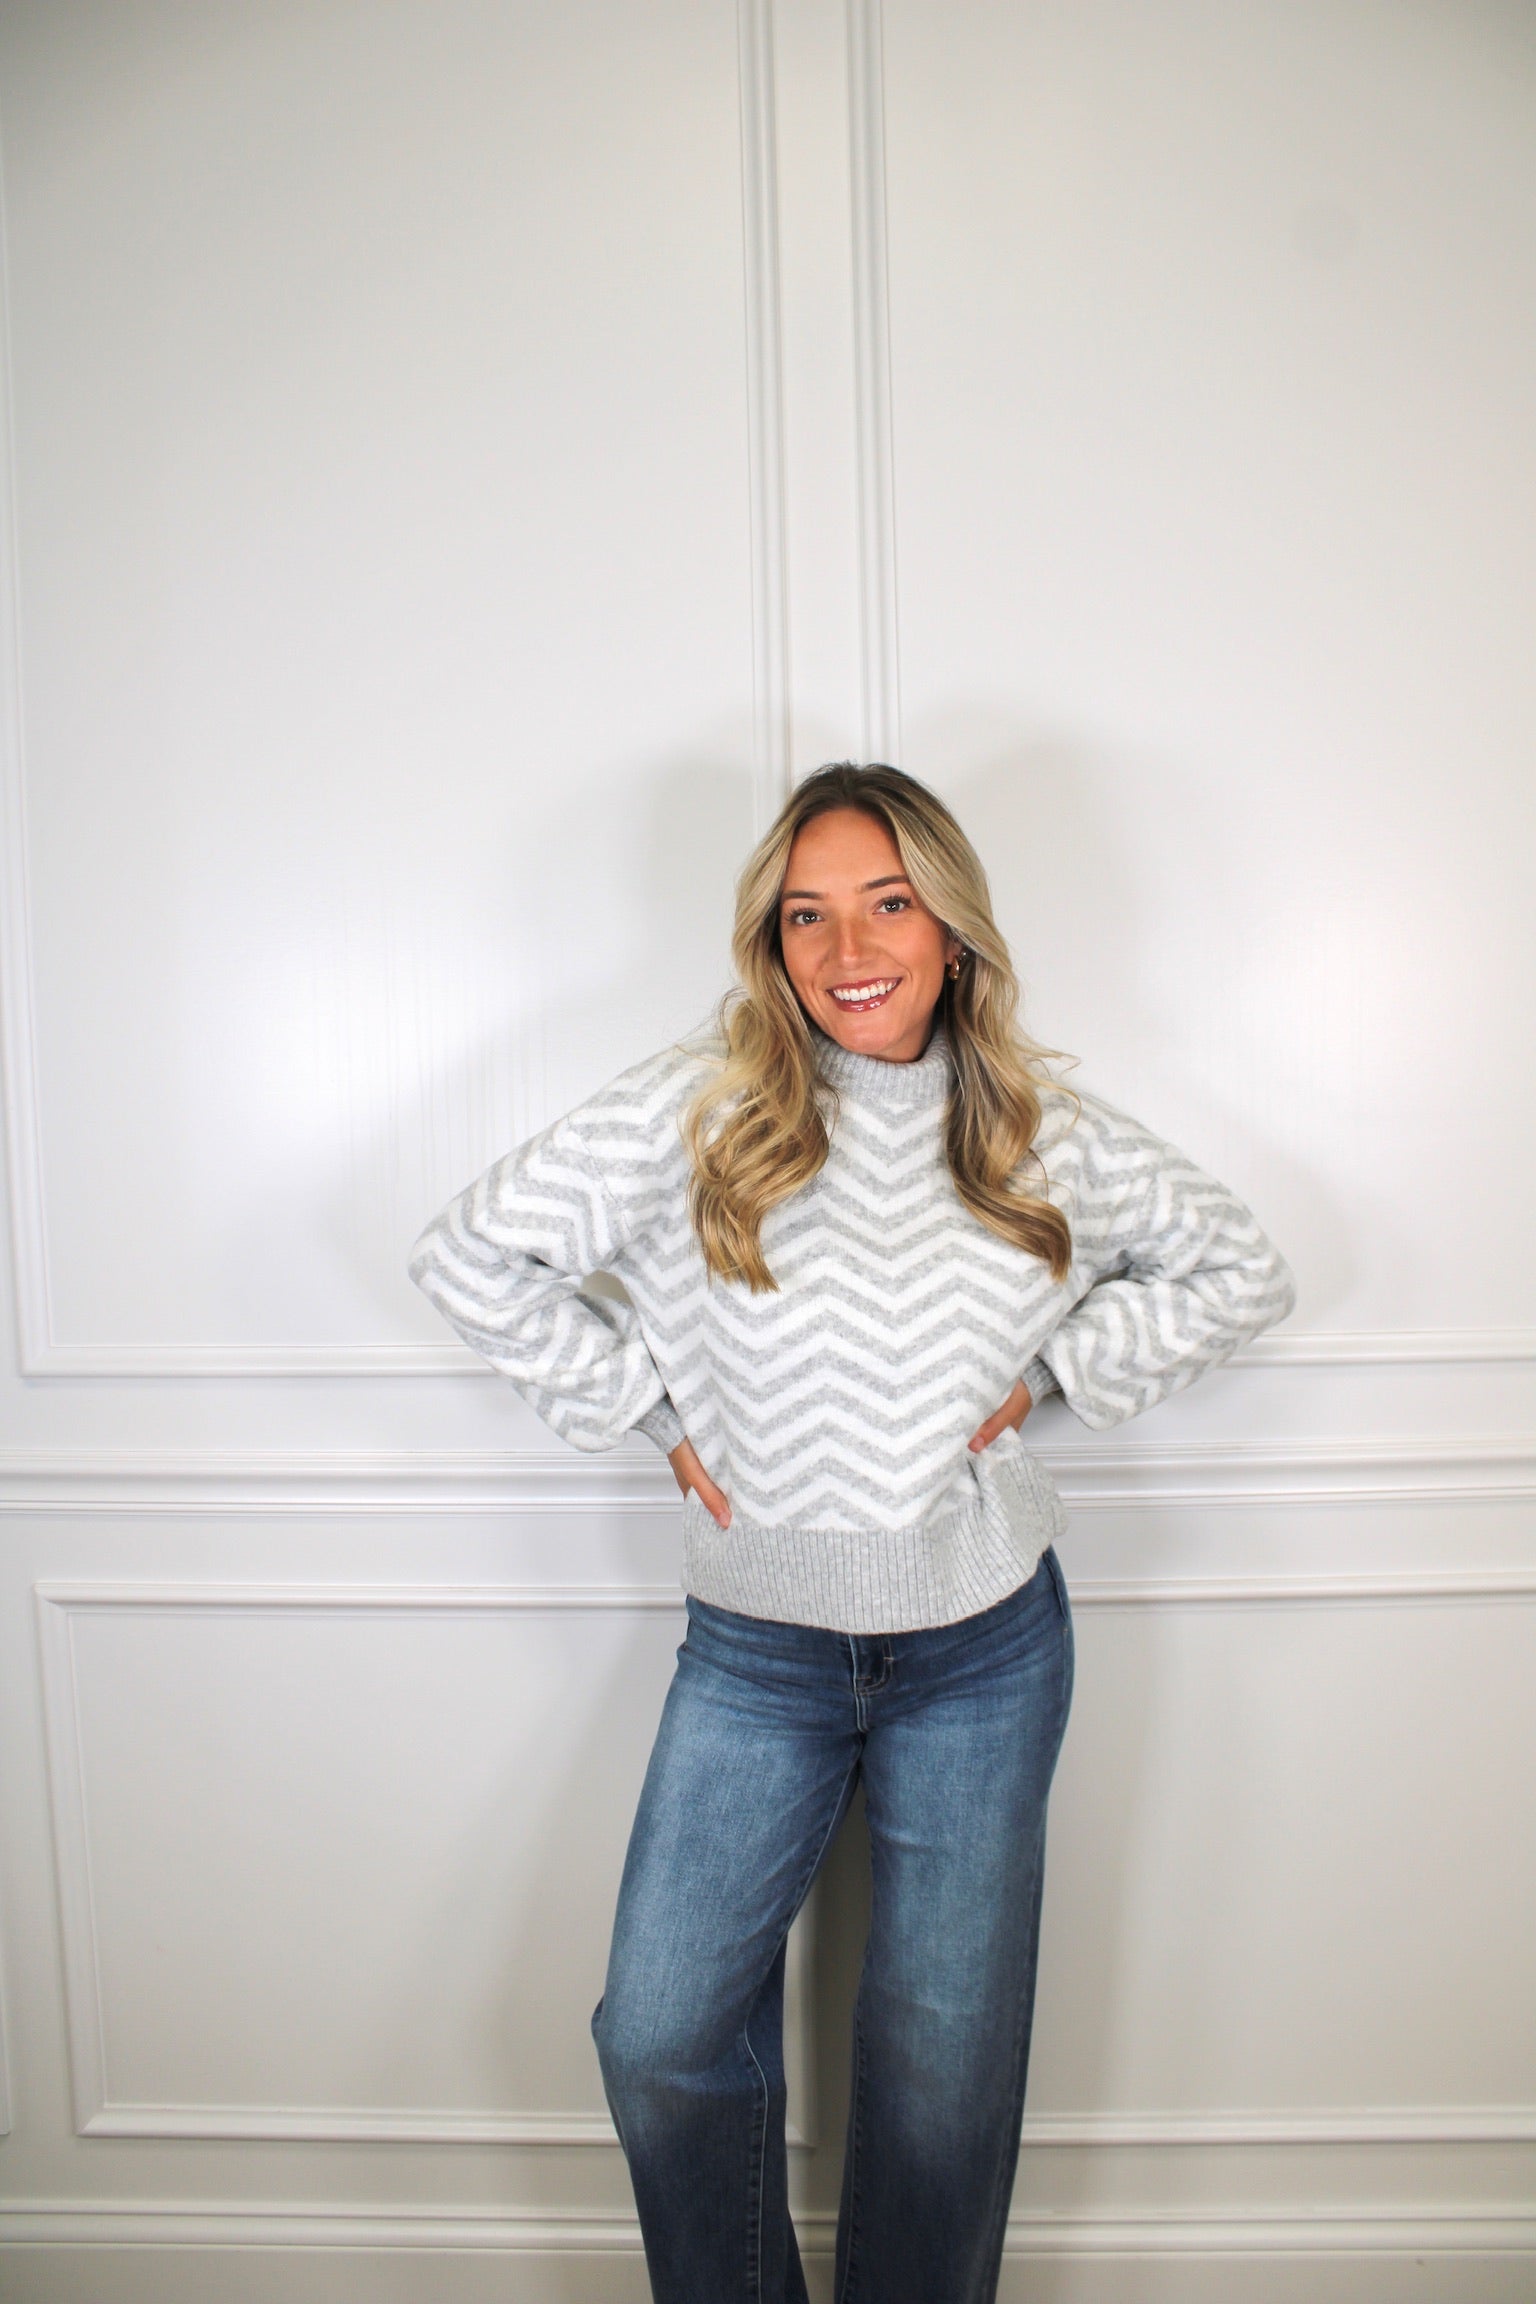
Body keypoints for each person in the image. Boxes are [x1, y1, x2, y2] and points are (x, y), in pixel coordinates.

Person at [408, 762, 1295, 2304]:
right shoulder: (697, 1109)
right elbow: (470, 1254)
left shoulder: (1038, 1129)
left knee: (942, 2075)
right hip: (758, 1655)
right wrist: (648, 1412)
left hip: (984, 1653)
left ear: (952, 928)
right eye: (805, 915)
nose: (849, 948)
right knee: (658, 2035)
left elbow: (1240, 1269)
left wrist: (1051, 1378)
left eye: (888, 903)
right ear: (770, 942)